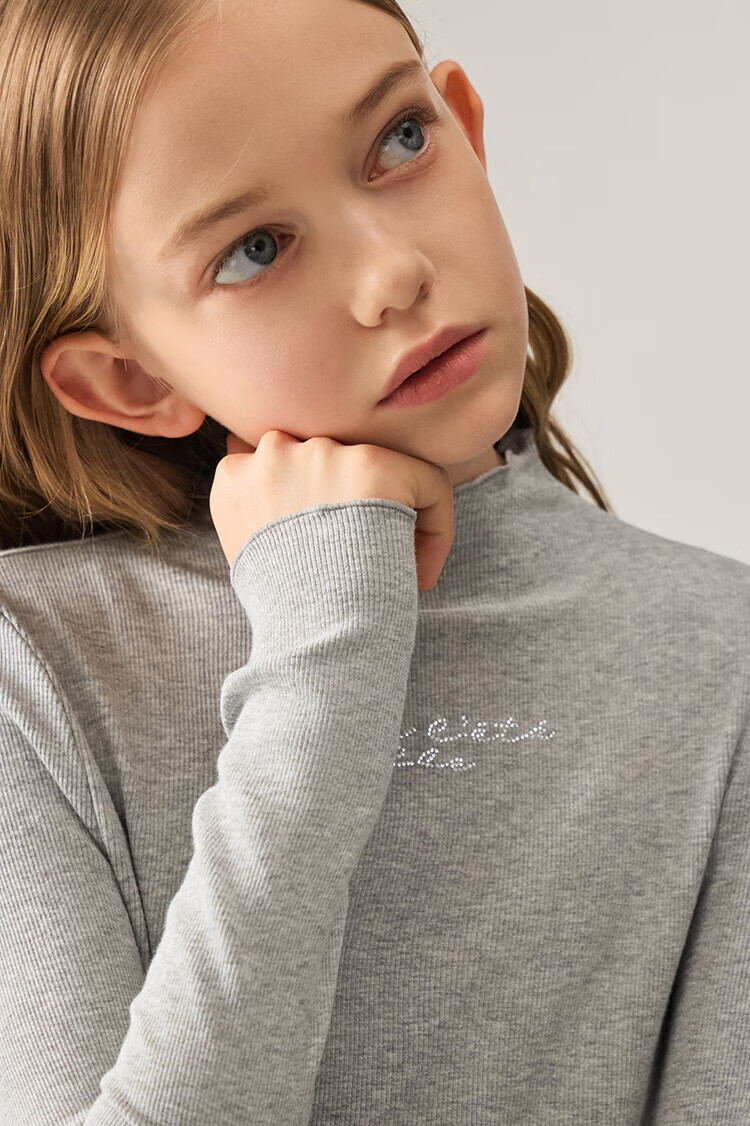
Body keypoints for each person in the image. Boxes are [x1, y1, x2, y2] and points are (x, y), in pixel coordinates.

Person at [0, 0, 747, 1122]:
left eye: (400, 140)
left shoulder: (722, 656)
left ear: (466, 127)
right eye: (255, 250)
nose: (393, 272)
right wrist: (325, 652)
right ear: (130, 381)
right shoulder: (32, 673)